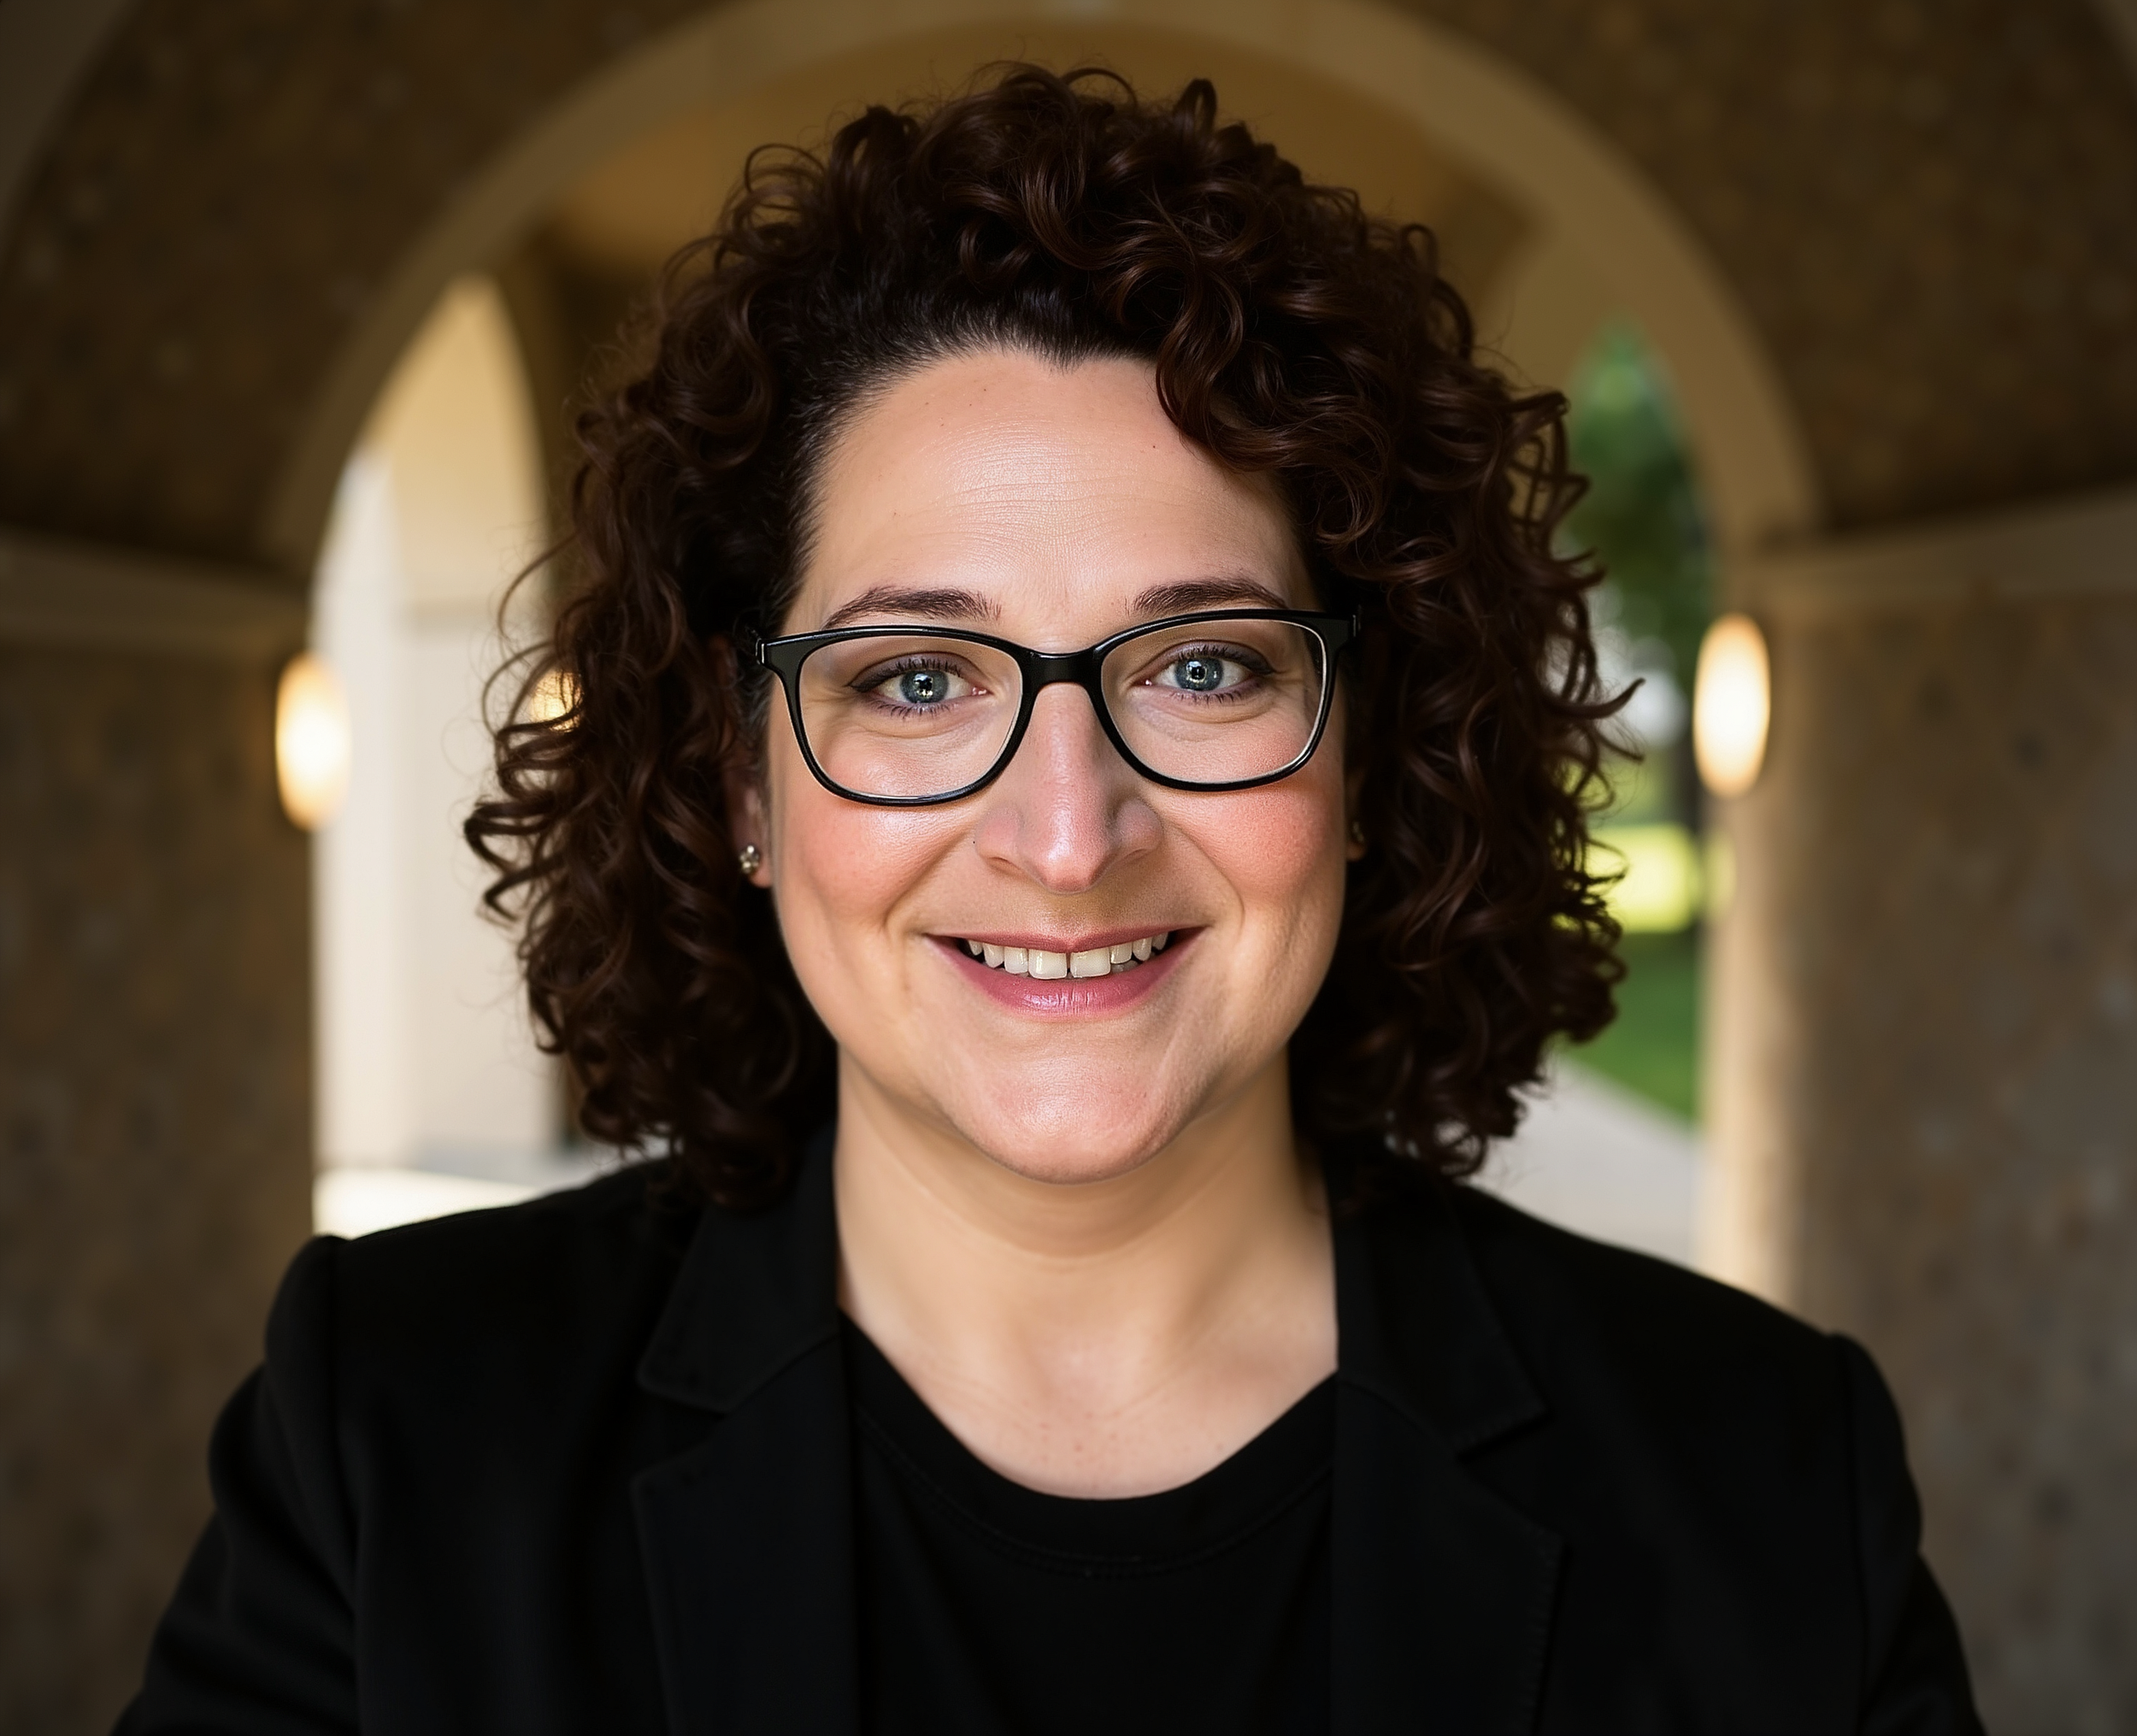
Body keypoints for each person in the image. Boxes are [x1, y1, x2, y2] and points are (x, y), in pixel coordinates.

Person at [120, 67, 1981, 1734]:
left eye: (1202, 669)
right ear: (741, 782)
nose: (1068, 834)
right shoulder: (395, 1438)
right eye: (917, 681)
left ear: (1364, 759)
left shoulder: (1757, 1476)